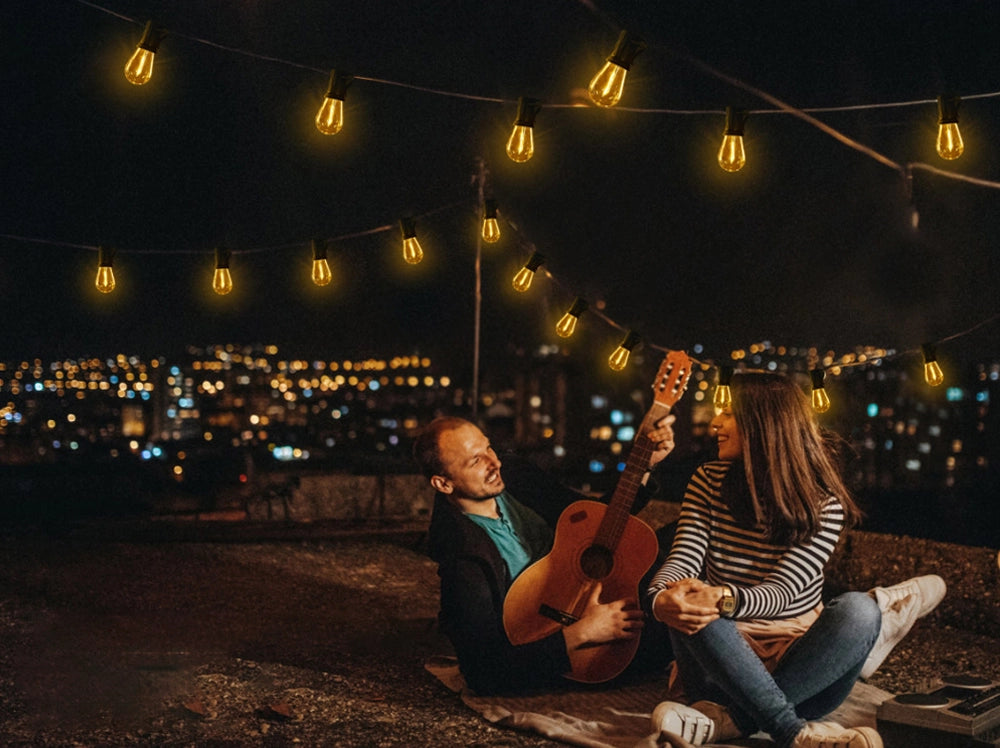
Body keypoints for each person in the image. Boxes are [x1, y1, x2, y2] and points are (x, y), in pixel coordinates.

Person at [645, 372, 944, 748]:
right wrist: (659, 600)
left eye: (729, 414)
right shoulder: (708, 480)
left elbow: (784, 592)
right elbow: (682, 561)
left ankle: (733, 722)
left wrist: (725, 598)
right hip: (719, 667)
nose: (716, 423)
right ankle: (794, 733)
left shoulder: (824, 503)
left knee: (861, 611)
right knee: (694, 604)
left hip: (801, 668)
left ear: (764, 423)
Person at [415, 411, 677, 695]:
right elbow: (483, 672)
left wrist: (643, 463)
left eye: (488, 447)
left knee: (686, 531)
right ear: (444, 483)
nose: (495, 462)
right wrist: (585, 632)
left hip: (592, 589)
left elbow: (596, 520)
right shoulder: (462, 554)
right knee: (673, 628)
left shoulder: (513, 477)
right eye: (476, 460)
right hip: (561, 639)